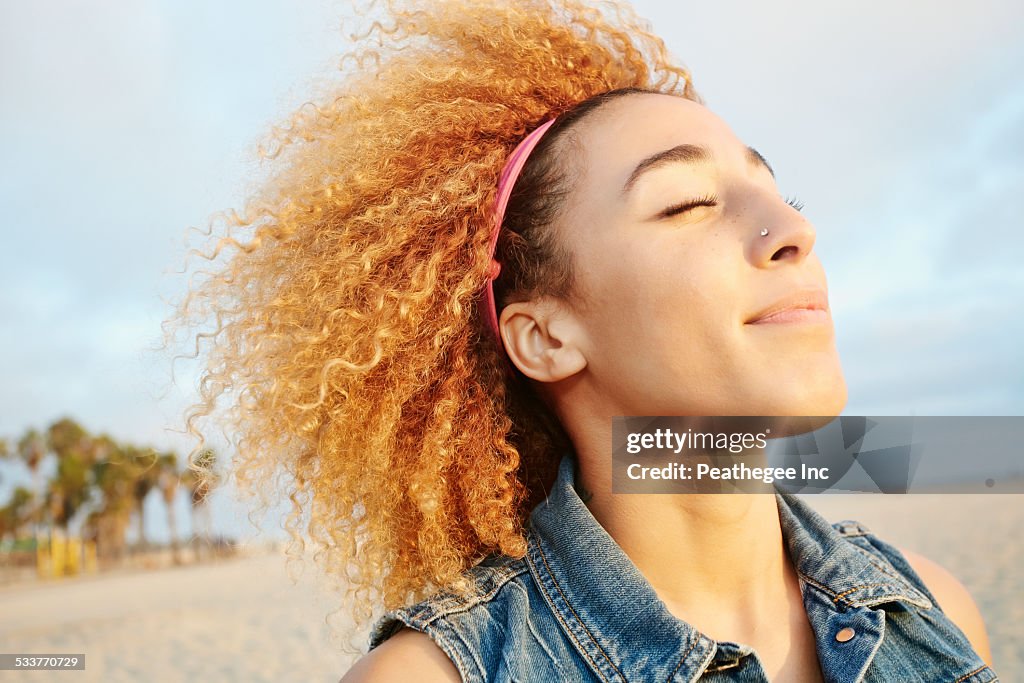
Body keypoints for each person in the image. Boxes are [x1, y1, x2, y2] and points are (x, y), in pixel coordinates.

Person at [167, 0, 996, 680]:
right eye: (686, 204)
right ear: (545, 337)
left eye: (778, 190)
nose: (790, 231)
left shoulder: (934, 612)